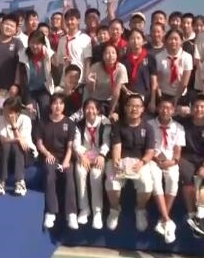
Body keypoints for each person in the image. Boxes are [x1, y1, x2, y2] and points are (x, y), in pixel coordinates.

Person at [107, 94, 155, 232]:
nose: (134, 109)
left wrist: (142, 163)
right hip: (121, 160)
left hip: (140, 162)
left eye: (137, 106)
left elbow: (150, 152)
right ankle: (114, 209)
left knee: (147, 184)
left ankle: (140, 210)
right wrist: (116, 161)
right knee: (111, 182)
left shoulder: (148, 128)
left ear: (142, 109)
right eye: (131, 106)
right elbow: (117, 147)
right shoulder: (118, 126)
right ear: (125, 108)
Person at [178, 94, 204, 238]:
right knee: (186, 175)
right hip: (186, 158)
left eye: (202, 107)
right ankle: (192, 215)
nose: (199, 109)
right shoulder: (182, 123)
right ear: (191, 108)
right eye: (196, 106)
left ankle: (199, 217)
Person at [36, 93, 77, 230]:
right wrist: (47, 154)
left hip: (64, 157)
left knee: (69, 175)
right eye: (55, 103)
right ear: (51, 106)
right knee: (49, 174)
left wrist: (66, 161)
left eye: (61, 103)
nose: (58, 106)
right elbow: (39, 143)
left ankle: (71, 214)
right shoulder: (43, 122)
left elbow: (70, 146)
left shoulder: (69, 123)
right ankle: (51, 212)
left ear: (64, 106)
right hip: (50, 156)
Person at [149, 96, 183, 243]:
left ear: (173, 110)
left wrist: (172, 162)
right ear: (158, 108)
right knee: (155, 180)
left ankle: (163, 220)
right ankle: (167, 220)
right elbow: (148, 148)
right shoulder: (149, 125)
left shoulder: (178, 127)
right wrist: (157, 160)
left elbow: (178, 151)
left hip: (170, 161)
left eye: (168, 108)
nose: (165, 111)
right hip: (153, 160)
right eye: (162, 107)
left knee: (173, 180)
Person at [73, 98, 110, 230]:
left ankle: (97, 212)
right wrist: (83, 155)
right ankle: (84, 209)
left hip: (99, 155)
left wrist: (102, 155)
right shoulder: (79, 124)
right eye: (87, 108)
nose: (90, 111)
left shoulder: (105, 123)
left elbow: (107, 142)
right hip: (85, 154)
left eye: (93, 108)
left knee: (95, 175)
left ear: (98, 110)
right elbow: (76, 143)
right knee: (80, 171)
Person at [0, 97, 34, 197]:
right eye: (4, 110)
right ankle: (2, 181)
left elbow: (23, 143)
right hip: (8, 154)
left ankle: (20, 181)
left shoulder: (25, 120)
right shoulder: (1, 119)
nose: (5, 113)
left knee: (17, 146)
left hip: (26, 153)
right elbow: (3, 140)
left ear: (16, 112)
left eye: (8, 111)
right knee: (6, 145)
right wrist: (17, 139)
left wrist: (13, 125)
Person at [85, 44, 128, 119]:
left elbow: (116, 92)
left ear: (117, 55)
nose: (111, 56)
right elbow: (90, 91)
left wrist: (111, 111)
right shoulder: (95, 67)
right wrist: (91, 82)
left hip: (112, 101)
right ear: (103, 55)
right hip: (96, 100)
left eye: (113, 53)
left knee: (112, 119)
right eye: (107, 53)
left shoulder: (121, 68)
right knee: (98, 120)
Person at [19, 30, 54, 120]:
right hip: (29, 91)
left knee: (46, 110)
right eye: (32, 43)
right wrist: (27, 100)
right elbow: (22, 79)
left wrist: (48, 53)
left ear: (43, 44)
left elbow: (56, 67)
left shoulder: (48, 55)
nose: (34, 46)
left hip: (44, 89)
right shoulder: (23, 54)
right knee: (31, 113)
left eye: (38, 43)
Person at [53, 9, 92, 84]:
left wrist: (87, 77)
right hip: (65, 81)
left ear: (78, 21)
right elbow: (59, 61)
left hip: (80, 80)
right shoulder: (62, 40)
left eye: (72, 19)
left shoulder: (85, 38)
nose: (69, 22)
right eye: (67, 20)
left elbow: (87, 61)